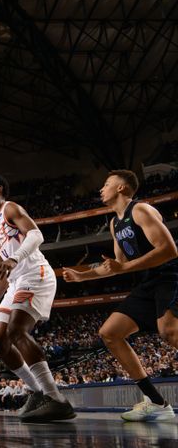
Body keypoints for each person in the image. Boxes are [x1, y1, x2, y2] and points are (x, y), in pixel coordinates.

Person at [64, 169, 178, 422]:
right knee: (110, 333)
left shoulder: (141, 210)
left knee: (168, 331)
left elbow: (169, 250)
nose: (101, 188)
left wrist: (125, 268)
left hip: (171, 274)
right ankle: (157, 402)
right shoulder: (115, 223)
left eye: (106, 183)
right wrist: (83, 276)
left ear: (121, 188)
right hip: (150, 280)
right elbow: (116, 264)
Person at [0, 175, 75, 422]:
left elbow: (36, 235)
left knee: (16, 331)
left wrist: (15, 259)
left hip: (35, 273)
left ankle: (56, 399)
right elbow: (3, 266)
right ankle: (36, 390)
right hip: (14, 281)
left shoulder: (10, 208)